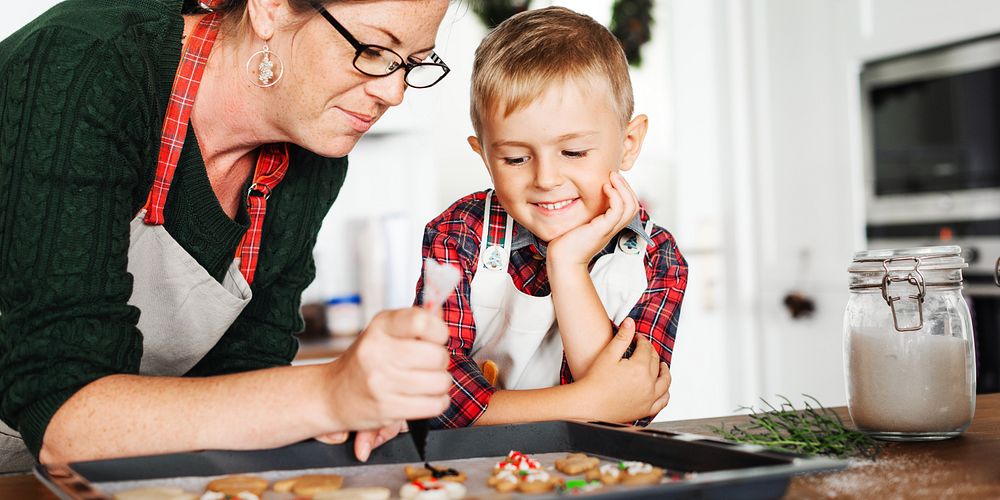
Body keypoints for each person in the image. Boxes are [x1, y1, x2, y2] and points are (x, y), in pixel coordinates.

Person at [0, 0, 454, 472]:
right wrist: (327, 393)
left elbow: (245, 376)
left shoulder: (312, 154)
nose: (395, 92)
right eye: (375, 50)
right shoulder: (89, 63)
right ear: (270, 9)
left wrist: (341, 412)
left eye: (414, 63)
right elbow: (64, 417)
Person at [413, 6, 688, 429]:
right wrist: (591, 402)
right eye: (516, 157)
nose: (545, 178)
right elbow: (431, 393)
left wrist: (567, 265)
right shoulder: (459, 232)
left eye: (574, 152)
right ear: (485, 157)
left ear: (629, 143)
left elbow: (631, 407)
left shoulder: (657, 259)